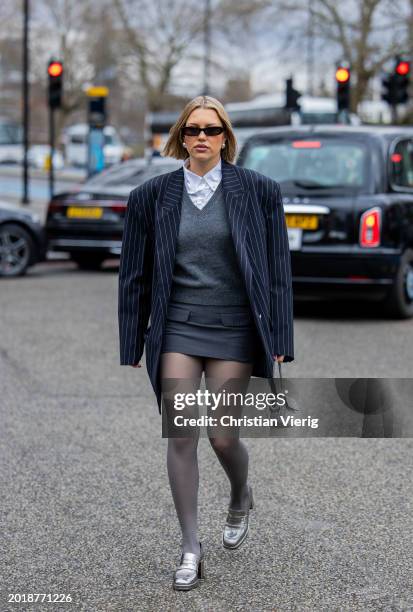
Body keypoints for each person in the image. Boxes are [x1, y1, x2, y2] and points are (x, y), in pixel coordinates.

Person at [118, 95, 294, 591]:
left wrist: (280, 335)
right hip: (177, 324)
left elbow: (278, 272)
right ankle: (191, 549)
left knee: (222, 435)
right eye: (193, 129)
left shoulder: (258, 191)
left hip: (235, 327)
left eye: (212, 130)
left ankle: (240, 495)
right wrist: (132, 339)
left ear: (225, 138)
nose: (201, 137)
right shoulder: (151, 196)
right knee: (180, 433)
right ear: (180, 136)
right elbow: (133, 274)